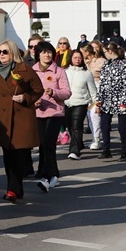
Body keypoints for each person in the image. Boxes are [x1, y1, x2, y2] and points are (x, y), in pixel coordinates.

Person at [0, 40, 43, 202]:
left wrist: (25, 97)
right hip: (4, 121)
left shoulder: (25, 70)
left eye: (5, 52)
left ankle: (15, 188)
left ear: (13, 53)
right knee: (8, 156)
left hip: (22, 119)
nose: (1, 55)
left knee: (19, 155)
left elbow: (38, 90)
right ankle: (13, 189)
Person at [30, 40, 71, 191]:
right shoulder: (32, 71)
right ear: (38, 54)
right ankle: (52, 174)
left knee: (49, 143)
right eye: (43, 52)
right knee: (42, 144)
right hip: (38, 113)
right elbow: (28, 92)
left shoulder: (59, 71)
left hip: (55, 113)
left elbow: (67, 92)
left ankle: (48, 177)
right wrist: (33, 102)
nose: (46, 55)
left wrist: (54, 92)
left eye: (49, 52)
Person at [96, 42, 126, 161]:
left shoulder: (123, 64)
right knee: (104, 125)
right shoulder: (106, 64)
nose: (105, 54)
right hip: (107, 100)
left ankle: (125, 151)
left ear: (110, 51)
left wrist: (124, 101)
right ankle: (106, 149)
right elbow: (101, 84)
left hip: (121, 100)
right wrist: (98, 102)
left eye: (105, 52)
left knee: (122, 127)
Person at [64, 51, 98, 160]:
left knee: (76, 126)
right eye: (75, 57)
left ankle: (74, 151)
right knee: (70, 126)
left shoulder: (86, 73)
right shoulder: (64, 72)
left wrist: (96, 103)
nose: (77, 60)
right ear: (71, 59)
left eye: (79, 58)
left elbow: (93, 90)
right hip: (66, 103)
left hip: (81, 103)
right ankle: (78, 143)